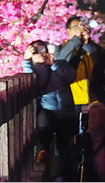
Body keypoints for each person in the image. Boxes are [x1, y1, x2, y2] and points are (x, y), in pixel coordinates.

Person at [22, 40, 77, 168]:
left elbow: (71, 76)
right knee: (46, 136)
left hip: (66, 110)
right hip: (48, 110)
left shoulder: (60, 63)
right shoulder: (33, 69)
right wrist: (26, 61)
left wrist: (54, 65)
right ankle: (47, 159)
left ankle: (66, 173)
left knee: (67, 147)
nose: (39, 52)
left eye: (41, 48)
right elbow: (29, 84)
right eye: (34, 50)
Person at [58, 101, 105, 182]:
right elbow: (66, 165)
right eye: (94, 116)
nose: (98, 120)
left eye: (101, 116)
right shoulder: (79, 140)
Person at [57, 15, 99, 132]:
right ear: (68, 30)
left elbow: (99, 61)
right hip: (71, 100)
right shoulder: (61, 48)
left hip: (92, 98)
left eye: (82, 26)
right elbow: (61, 61)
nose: (80, 29)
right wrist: (76, 40)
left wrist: (87, 42)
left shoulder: (92, 47)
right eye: (76, 27)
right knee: (71, 133)